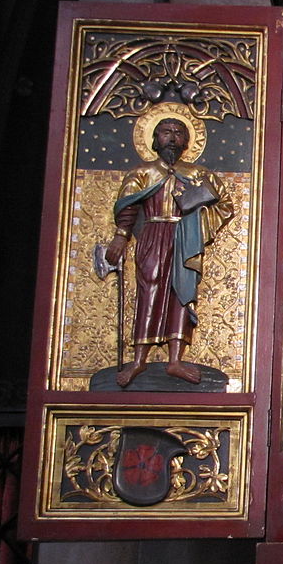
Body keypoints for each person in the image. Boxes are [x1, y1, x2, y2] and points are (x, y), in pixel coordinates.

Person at [105, 115, 233, 387]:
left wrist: (199, 215)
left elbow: (224, 204)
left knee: (182, 294)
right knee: (149, 289)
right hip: (153, 234)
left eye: (178, 133)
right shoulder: (143, 173)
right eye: (166, 132)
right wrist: (120, 237)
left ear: (186, 141)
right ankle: (139, 360)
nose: (172, 138)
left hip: (186, 237)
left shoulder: (198, 174)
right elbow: (127, 206)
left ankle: (175, 360)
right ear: (155, 139)